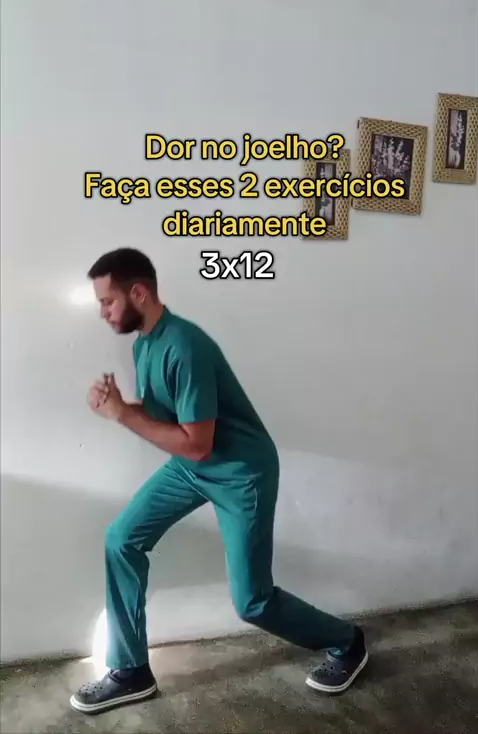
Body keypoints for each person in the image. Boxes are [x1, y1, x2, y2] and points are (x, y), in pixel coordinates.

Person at [70, 247, 368, 715]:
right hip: (194, 467)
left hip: (240, 473)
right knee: (121, 539)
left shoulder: (185, 346)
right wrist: (122, 405)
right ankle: (130, 671)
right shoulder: (145, 343)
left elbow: (197, 443)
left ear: (138, 292)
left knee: (252, 602)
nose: (103, 312)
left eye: (107, 301)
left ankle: (347, 642)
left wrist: (123, 415)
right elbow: (170, 420)